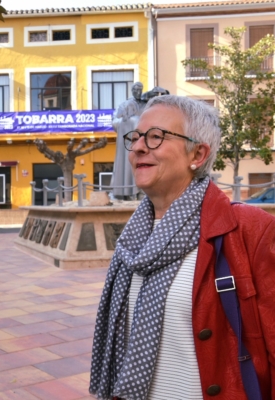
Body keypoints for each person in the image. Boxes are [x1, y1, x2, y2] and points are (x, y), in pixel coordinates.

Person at [90, 95, 275, 399]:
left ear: (198, 154)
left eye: (155, 137)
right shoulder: (134, 239)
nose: (137, 147)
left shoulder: (248, 230)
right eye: (135, 137)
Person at [111, 82, 146, 200]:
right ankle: (127, 192)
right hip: (128, 139)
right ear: (132, 90)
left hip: (144, 139)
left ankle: (141, 191)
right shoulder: (124, 104)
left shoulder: (146, 104)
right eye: (135, 89)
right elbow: (115, 121)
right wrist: (128, 122)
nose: (138, 91)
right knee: (127, 163)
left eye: (139, 89)